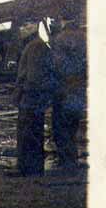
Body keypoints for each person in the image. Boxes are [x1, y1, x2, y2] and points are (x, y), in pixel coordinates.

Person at [14, 19, 57, 176]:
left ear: (32, 27)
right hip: (33, 97)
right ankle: (29, 168)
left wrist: (24, 94)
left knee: (28, 133)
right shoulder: (35, 45)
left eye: (24, 25)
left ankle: (28, 169)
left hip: (31, 98)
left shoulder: (35, 46)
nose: (21, 28)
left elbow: (33, 76)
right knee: (31, 132)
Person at [51, 18, 87, 170]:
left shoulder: (60, 38)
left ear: (62, 20)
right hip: (78, 90)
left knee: (61, 127)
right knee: (73, 126)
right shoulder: (83, 37)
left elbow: (58, 66)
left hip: (63, 90)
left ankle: (66, 163)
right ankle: (72, 160)